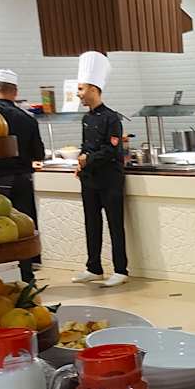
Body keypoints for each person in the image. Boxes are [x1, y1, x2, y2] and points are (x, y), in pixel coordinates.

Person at [0, 68, 46, 282]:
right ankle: (26, 275)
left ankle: (1, 277)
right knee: (23, 229)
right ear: (15, 91)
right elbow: (39, 154)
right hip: (23, 180)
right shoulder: (27, 119)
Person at [71, 51, 128, 288]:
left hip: (110, 179)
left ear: (94, 89)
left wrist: (88, 159)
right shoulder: (86, 119)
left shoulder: (111, 118)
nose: (78, 93)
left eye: (81, 89)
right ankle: (93, 267)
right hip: (90, 179)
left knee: (115, 224)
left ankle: (120, 269)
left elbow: (112, 150)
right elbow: (87, 146)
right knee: (91, 224)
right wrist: (80, 163)